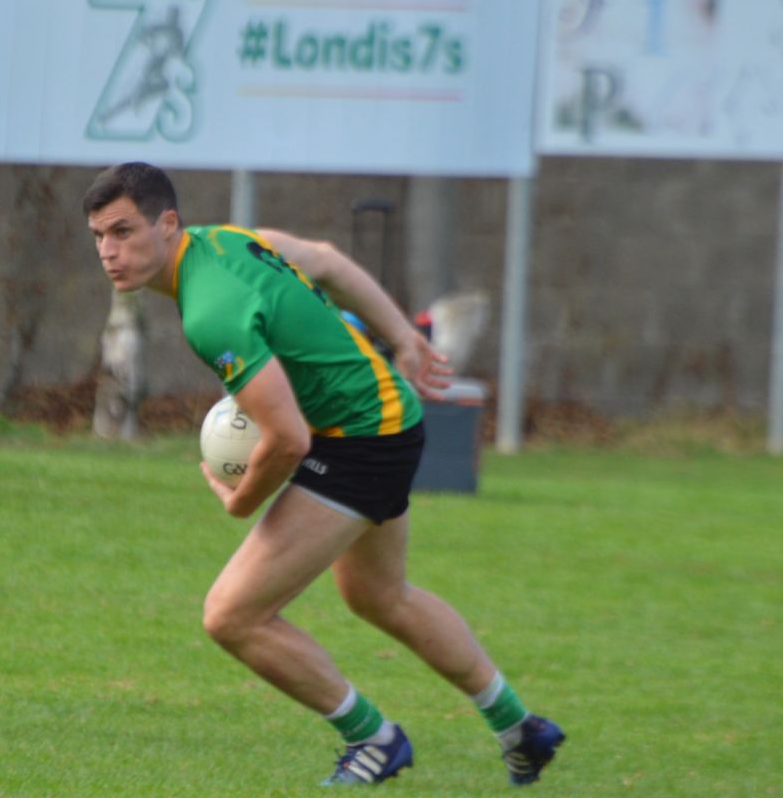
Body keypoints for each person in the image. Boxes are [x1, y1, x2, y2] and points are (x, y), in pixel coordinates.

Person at [83, 162, 564, 786]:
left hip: (362, 440)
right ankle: (520, 727)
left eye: (123, 231)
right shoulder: (228, 239)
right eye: (99, 237)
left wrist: (240, 500)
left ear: (168, 223)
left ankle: (375, 739)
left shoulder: (210, 314)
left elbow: (286, 439)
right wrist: (402, 337)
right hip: (389, 415)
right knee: (379, 596)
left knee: (231, 615)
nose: (109, 252)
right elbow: (330, 261)